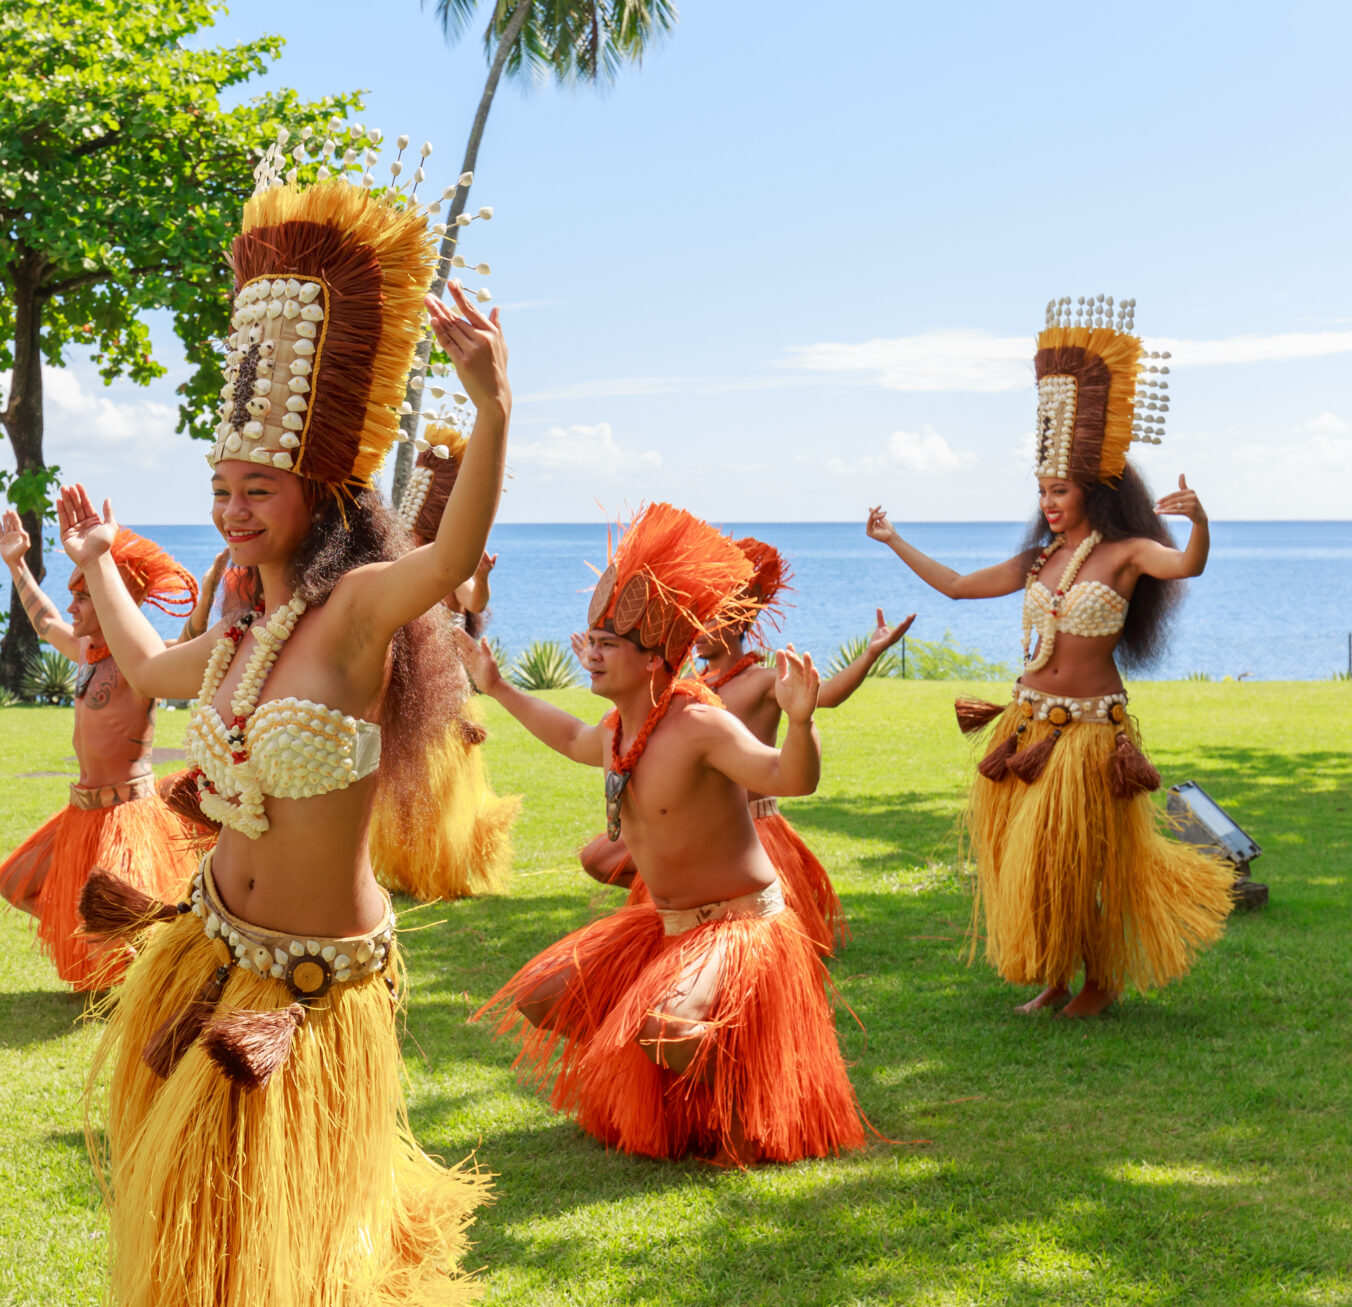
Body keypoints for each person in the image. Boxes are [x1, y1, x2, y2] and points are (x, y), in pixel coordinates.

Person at [65, 148, 502, 1307]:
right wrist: (96, 560)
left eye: (256, 489)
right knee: (199, 1220)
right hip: (208, 948)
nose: (232, 510)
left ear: (316, 493)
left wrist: (492, 410)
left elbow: (449, 557)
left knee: (296, 1240)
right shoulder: (239, 638)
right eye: (219, 489)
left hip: (310, 989)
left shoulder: (357, 614)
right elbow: (143, 666)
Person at [867, 294, 1232, 1018]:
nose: (1048, 502)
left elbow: (1187, 566)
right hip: (1027, 725)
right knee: (1029, 860)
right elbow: (960, 586)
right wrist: (894, 539)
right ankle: (1058, 976)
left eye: (1059, 489)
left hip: (1090, 733)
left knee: (1079, 858)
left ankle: (1100, 981)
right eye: (1042, 491)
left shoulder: (1128, 553)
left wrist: (1200, 521)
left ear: (1092, 489)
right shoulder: (1039, 560)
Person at [466, 502, 864, 1166]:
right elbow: (570, 735)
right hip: (667, 925)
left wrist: (802, 722)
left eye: (607, 644)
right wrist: (500, 687)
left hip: (739, 926)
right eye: (591, 640)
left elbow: (790, 778)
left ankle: (754, 1092)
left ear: (653, 659)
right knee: (544, 998)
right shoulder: (620, 730)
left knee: (669, 1028)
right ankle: (684, 1099)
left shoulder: (699, 723)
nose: (590, 654)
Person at [578, 537, 915, 955]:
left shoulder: (759, 681)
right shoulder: (691, 689)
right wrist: (605, 654)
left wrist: (870, 654)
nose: (698, 633)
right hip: (700, 826)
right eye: (696, 623)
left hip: (757, 825)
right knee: (598, 857)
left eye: (710, 622)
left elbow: (825, 695)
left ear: (737, 625)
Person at [0, 510, 204, 990]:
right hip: (81, 812)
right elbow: (45, 621)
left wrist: (210, 591)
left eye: (83, 596)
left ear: (113, 598)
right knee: (17, 883)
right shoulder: (86, 652)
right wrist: (17, 564)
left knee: (113, 927)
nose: (71, 606)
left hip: (127, 815)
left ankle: (146, 967)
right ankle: (124, 950)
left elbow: (192, 643)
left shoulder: (144, 660)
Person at [369, 419, 520, 901]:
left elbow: (473, 600)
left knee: (445, 778)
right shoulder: (406, 558)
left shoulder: (449, 562)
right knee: (408, 776)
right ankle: (408, 865)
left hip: (447, 686)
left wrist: (484, 575)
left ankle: (440, 866)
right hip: (407, 681)